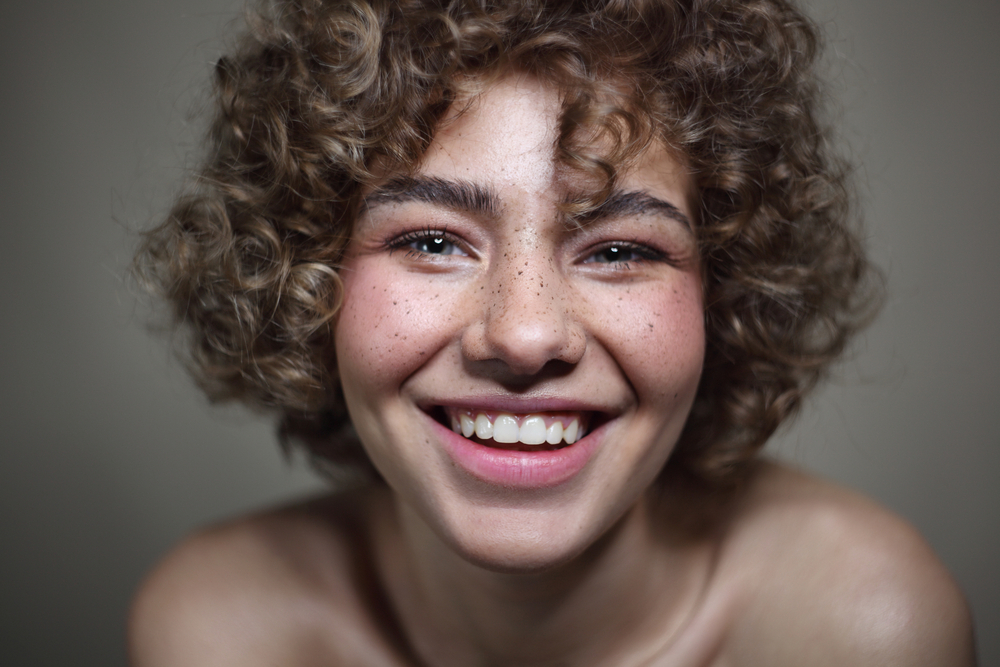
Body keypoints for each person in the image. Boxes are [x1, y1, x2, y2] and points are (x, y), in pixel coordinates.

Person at [128, 0, 976, 664]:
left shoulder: (863, 630)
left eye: (617, 249)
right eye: (431, 241)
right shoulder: (221, 633)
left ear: (725, 294)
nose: (527, 334)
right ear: (305, 279)